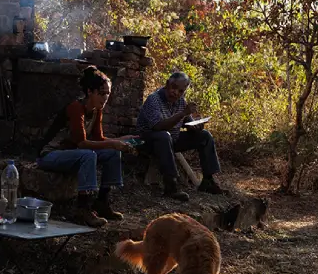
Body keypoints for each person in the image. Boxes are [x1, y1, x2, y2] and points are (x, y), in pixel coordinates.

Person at [34, 66, 136, 227]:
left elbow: (99, 139)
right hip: (51, 155)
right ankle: (82, 208)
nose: (105, 98)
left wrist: (123, 140)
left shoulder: (97, 110)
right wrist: (114, 143)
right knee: (89, 154)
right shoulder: (76, 108)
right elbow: (82, 143)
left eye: (108, 94)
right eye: (101, 93)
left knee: (112, 153)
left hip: (72, 154)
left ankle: (102, 201)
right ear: (90, 92)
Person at [137, 72, 224, 198]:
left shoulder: (181, 102)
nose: (175, 92)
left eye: (180, 91)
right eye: (173, 87)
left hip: (171, 141)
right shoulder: (154, 99)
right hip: (149, 142)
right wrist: (183, 113)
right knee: (163, 135)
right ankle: (171, 185)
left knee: (204, 136)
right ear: (167, 84)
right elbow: (158, 126)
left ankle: (208, 180)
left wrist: (197, 126)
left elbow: (188, 124)